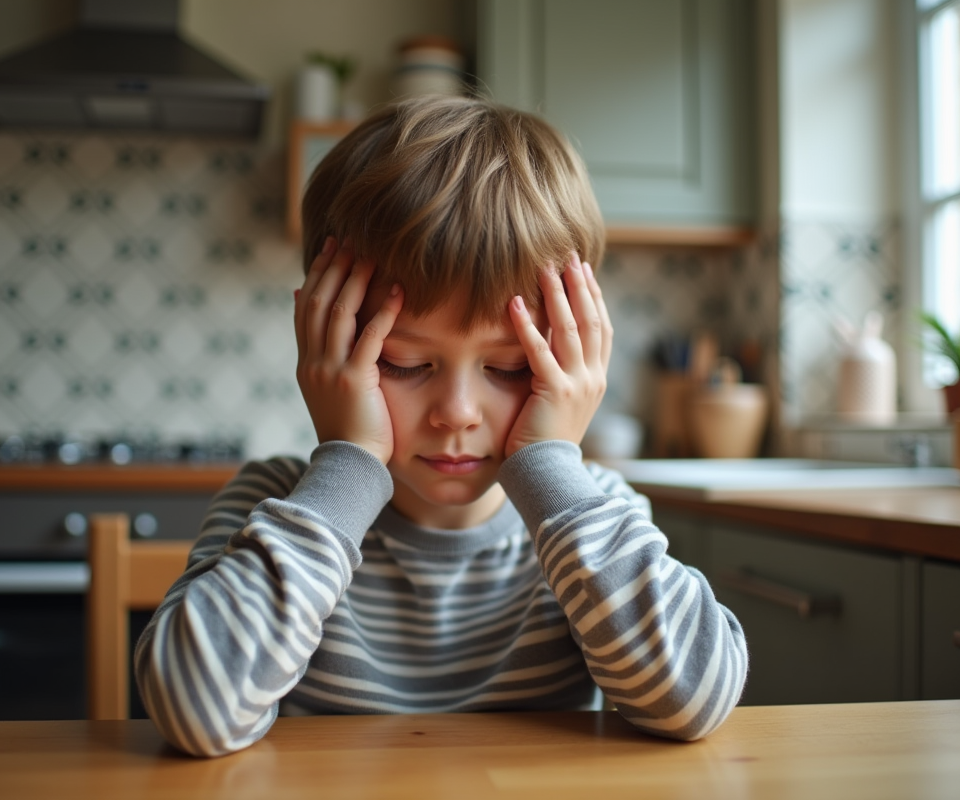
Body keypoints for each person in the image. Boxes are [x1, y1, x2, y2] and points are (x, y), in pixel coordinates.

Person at [134, 95, 748, 757]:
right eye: (405, 362)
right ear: (325, 346)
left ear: (577, 360)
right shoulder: (278, 507)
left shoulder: (589, 516)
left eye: (511, 368)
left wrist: (551, 467)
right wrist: (348, 465)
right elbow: (193, 709)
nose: (456, 411)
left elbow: (695, 699)